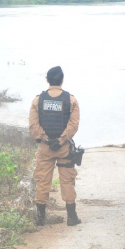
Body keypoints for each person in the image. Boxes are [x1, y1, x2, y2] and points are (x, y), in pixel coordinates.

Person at [29, 66, 81, 226]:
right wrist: (61, 140)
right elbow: (74, 124)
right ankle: (72, 217)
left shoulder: (38, 100)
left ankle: (40, 218)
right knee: (67, 181)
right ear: (62, 80)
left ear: (47, 80)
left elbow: (33, 125)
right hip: (64, 148)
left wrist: (46, 139)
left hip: (45, 149)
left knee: (43, 181)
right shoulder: (71, 100)